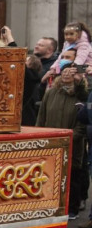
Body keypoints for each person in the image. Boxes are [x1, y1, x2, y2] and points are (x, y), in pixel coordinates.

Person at [36, 61, 88, 218]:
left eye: (70, 72)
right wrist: (39, 134)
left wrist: (71, 136)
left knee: (72, 176)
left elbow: (82, 123)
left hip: (72, 141)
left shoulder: (81, 94)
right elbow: (42, 116)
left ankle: (72, 208)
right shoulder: (52, 92)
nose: (66, 74)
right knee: (50, 175)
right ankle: (50, 206)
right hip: (51, 141)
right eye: (64, 71)